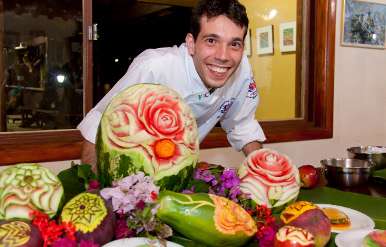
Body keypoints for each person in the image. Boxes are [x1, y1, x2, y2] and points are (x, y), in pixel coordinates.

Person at [78, 0, 266, 166]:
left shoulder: (242, 71)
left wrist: (265, 171)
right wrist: (94, 189)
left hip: (179, 169)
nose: (223, 56)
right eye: (211, 41)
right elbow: (100, 123)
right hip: (127, 174)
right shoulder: (155, 67)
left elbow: (242, 124)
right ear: (191, 43)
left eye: (235, 44)